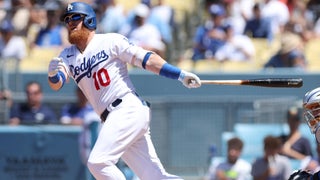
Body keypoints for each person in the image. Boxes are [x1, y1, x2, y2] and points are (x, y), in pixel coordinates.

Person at [47, 2, 201, 180]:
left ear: (89, 19)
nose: (70, 22)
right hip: (113, 118)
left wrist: (179, 74)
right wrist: (52, 74)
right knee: (155, 176)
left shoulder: (110, 40)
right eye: (67, 20)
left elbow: (146, 59)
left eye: (75, 17)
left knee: (98, 162)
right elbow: (57, 83)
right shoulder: (67, 55)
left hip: (126, 109)